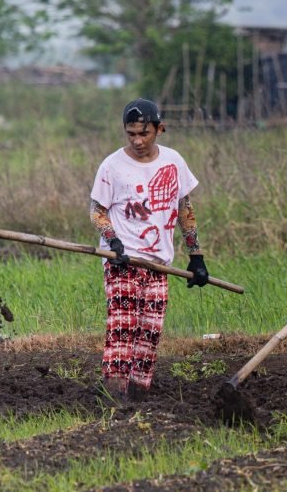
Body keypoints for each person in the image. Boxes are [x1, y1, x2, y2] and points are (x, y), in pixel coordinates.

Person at [90, 98, 210, 402]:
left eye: (144, 133)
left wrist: (196, 256)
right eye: (131, 134)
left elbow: (185, 209)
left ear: (159, 128)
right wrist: (113, 241)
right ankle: (115, 398)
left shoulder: (173, 162)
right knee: (123, 328)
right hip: (122, 261)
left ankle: (138, 398)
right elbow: (97, 211)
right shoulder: (112, 165)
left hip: (159, 263)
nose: (137, 140)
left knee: (149, 334)